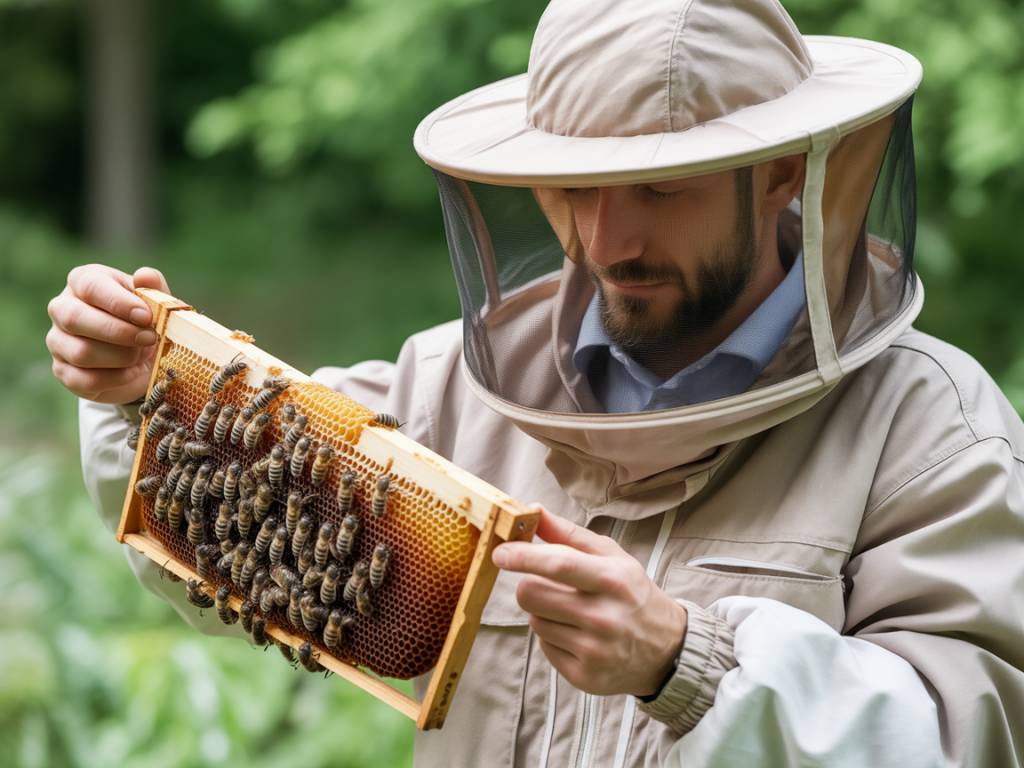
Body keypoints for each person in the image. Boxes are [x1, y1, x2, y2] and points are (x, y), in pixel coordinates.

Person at [49, 0, 1024, 765]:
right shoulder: (441, 389)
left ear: (781, 174)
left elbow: (969, 738)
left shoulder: (929, 429)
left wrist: (689, 665)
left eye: (660, 188)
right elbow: (242, 549)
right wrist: (152, 392)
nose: (606, 242)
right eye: (571, 190)